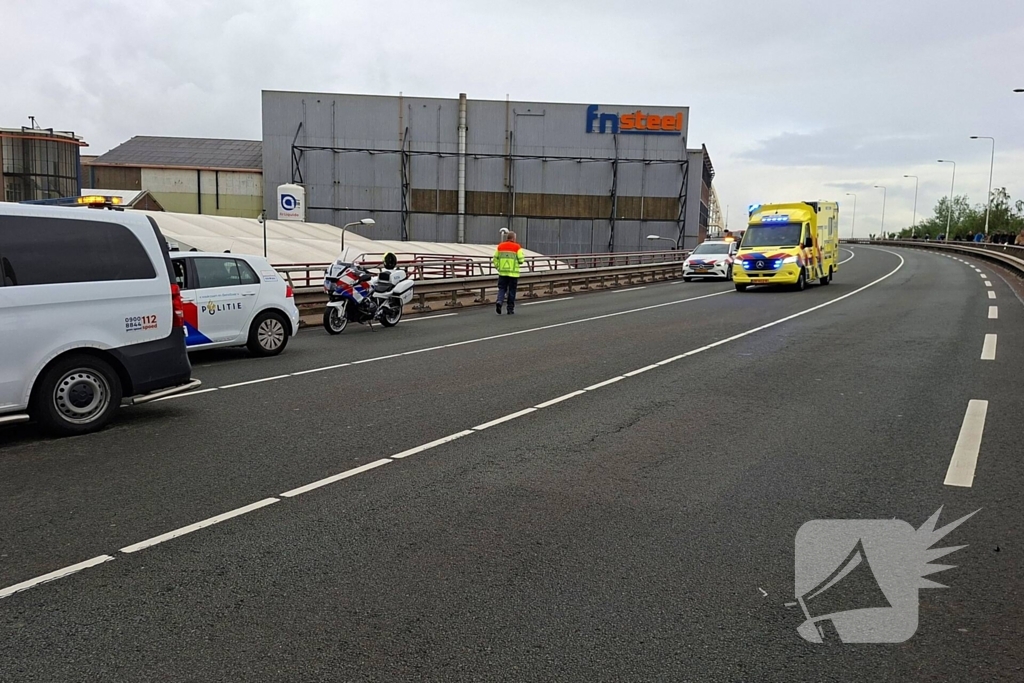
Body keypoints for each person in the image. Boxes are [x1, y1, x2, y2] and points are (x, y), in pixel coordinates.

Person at [493, 231, 525, 314]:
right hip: (513, 274)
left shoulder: (500, 246)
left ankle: (499, 301)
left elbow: (495, 259)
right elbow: (521, 260)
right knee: (511, 291)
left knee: (502, 288)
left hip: (502, 273)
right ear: (513, 238)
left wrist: (498, 267)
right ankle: (510, 309)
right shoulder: (517, 247)